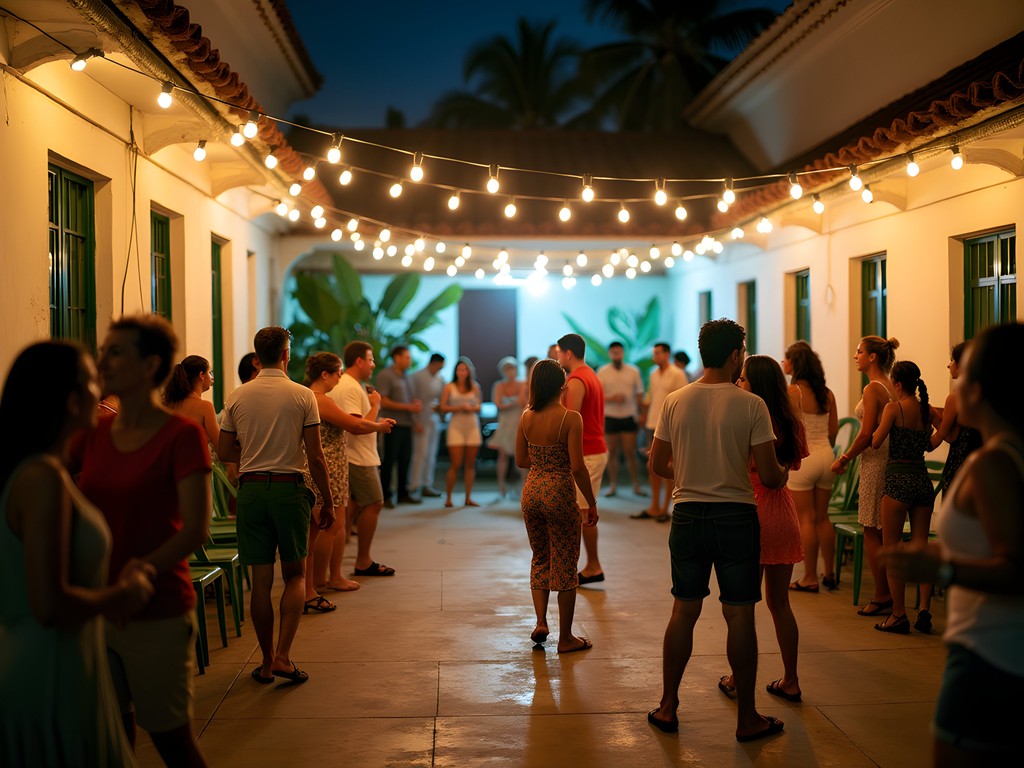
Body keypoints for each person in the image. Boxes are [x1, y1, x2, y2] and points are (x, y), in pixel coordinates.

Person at [1, 341, 151, 767]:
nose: (101, 387)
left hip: (70, 657)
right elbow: (49, 604)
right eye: (92, 379)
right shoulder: (42, 477)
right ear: (70, 400)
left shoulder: (45, 470)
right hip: (46, 666)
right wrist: (123, 593)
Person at [72, 315, 211, 766]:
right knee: (111, 737)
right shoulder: (92, 435)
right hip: (96, 602)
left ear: (151, 364)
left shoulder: (180, 435)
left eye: (116, 351)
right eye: (103, 350)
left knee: (172, 742)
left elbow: (195, 528)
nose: (102, 360)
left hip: (156, 605)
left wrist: (144, 568)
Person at [883, 324, 1024, 764]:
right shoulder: (1011, 452)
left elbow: (1016, 566)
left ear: (980, 390)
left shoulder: (993, 465)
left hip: (989, 657)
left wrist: (942, 568)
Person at [646, 319, 789, 742]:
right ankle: (748, 719)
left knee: (683, 610)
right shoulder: (751, 405)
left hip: (687, 516)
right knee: (739, 612)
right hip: (735, 518)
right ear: (734, 355)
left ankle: (668, 707)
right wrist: (781, 473)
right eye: (742, 351)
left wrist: (688, 472)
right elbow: (768, 473)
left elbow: (657, 464)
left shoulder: (675, 400)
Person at [219, 326, 334, 686]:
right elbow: (315, 456)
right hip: (289, 490)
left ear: (257, 356)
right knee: (297, 575)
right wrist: (328, 500)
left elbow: (224, 452)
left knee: (261, 579)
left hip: (251, 492)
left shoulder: (237, 397)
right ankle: (284, 656)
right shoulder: (302, 396)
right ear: (286, 354)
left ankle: (267, 661)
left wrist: (252, 451)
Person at [718, 355, 807, 703]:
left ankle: (738, 679)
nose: (738, 383)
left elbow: (735, 463)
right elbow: (790, 466)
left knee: (742, 606)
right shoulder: (789, 420)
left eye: (743, 379)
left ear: (755, 383)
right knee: (780, 603)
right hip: (782, 512)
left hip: (750, 511)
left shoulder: (746, 416)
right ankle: (792, 679)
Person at [516, 359, 599, 654]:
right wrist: (591, 501)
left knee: (540, 556)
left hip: (532, 491)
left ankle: (541, 621)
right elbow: (578, 467)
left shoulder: (526, 416)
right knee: (565, 562)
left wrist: (542, 462)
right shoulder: (570, 418)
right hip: (559, 491)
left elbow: (521, 460)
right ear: (559, 385)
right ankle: (566, 638)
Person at [299, 353, 394, 607]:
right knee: (329, 526)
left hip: (329, 466)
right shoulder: (319, 400)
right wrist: (380, 424)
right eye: (338, 373)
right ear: (325, 375)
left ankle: (321, 580)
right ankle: (322, 579)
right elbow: (355, 426)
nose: (341, 377)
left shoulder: (310, 397)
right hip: (327, 467)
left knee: (328, 527)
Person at [831, 337, 899, 617]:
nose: (854, 356)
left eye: (859, 352)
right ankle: (888, 593)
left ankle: (882, 594)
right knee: (882, 530)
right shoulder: (891, 386)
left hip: (876, 460)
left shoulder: (874, 389)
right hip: (888, 459)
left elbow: (867, 432)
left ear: (873, 357)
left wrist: (845, 457)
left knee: (872, 529)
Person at [871, 360, 936, 634]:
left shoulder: (893, 408)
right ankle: (924, 608)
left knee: (893, 548)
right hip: (921, 479)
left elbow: (875, 441)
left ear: (897, 385)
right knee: (921, 546)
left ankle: (898, 614)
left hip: (898, 479)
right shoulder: (926, 410)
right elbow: (934, 440)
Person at [332, 341, 396, 577]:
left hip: (358, 455)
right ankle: (362, 560)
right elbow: (356, 426)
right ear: (358, 361)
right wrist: (377, 409)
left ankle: (338, 565)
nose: (373, 364)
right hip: (358, 456)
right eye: (370, 359)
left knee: (350, 509)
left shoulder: (352, 384)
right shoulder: (349, 387)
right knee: (374, 502)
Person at [784, 341, 839, 592]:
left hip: (804, 460)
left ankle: (809, 577)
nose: (783, 363)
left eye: (786, 359)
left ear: (795, 363)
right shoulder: (827, 393)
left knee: (805, 520)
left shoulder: (792, 391)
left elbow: (789, 430)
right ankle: (830, 572)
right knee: (822, 518)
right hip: (826, 456)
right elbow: (833, 431)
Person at [556, 334, 608, 585]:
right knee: (582, 511)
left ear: (568, 353)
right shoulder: (591, 374)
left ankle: (590, 565)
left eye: (558, 352)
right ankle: (589, 565)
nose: (556, 356)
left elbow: (570, 418)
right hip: (592, 448)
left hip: (588, 450)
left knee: (584, 512)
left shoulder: (577, 379)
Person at [634, 342, 687, 522]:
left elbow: (683, 401)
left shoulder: (678, 374)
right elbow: (651, 397)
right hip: (652, 423)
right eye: (653, 353)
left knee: (667, 466)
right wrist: (643, 414)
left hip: (669, 426)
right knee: (653, 466)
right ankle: (654, 505)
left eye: (657, 353)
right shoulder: (653, 374)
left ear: (667, 354)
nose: (654, 356)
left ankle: (666, 508)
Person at [930, 342, 983, 491]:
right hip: (983, 465)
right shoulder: (985, 395)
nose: (949, 365)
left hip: (959, 465)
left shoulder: (956, 397)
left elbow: (949, 435)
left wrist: (933, 416)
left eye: (952, 360)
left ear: (962, 364)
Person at [597, 341, 645, 497]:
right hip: (609, 416)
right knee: (611, 453)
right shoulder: (602, 372)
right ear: (610, 354)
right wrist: (612, 398)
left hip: (628, 415)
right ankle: (613, 485)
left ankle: (636, 484)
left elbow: (639, 393)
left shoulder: (633, 371)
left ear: (624, 353)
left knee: (630, 452)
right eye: (614, 352)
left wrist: (641, 413)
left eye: (620, 352)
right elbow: (597, 395)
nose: (617, 355)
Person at [376, 345, 423, 507]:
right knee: (389, 460)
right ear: (397, 358)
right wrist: (407, 407)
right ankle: (385, 496)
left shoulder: (407, 376)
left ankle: (403, 494)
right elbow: (383, 400)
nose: (409, 361)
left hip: (407, 424)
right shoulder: (386, 375)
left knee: (405, 460)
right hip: (392, 424)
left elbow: (409, 402)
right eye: (407, 357)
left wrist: (415, 419)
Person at [441, 357, 483, 508]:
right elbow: (443, 407)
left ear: (469, 371)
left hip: (471, 424)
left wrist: (470, 408)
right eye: (459, 369)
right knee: (456, 463)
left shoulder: (475, 386)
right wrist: (458, 408)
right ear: (455, 371)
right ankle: (449, 497)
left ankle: (468, 497)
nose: (462, 372)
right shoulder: (449, 387)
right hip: (456, 425)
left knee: (470, 464)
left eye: (464, 369)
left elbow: (479, 407)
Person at [488, 356, 527, 498]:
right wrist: (512, 402)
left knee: (520, 455)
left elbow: (524, 402)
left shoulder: (522, 383)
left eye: (513, 369)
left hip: (518, 422)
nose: (510, 372)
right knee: (503, 455)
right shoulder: (499, 385)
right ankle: (501, 485)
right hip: (504, 423)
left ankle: (524, 485)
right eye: (507, 369)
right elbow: (498, 404)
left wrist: (509, 403)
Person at [409, 353, 446, 498]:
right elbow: (411, 399)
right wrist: (415, 421)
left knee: (431, 454)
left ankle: (427, 484)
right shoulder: (417, 376)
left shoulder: (440, 378)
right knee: (420, 453)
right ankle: (414, 485)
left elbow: (442, 398)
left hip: (434, 419)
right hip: (420, 418)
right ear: (434, 363)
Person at [163, 355, 220, 449]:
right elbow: (220, 447)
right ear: (201, 375)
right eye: (209, 373)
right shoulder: (205, 407)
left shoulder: (168, 403)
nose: (211, 377)